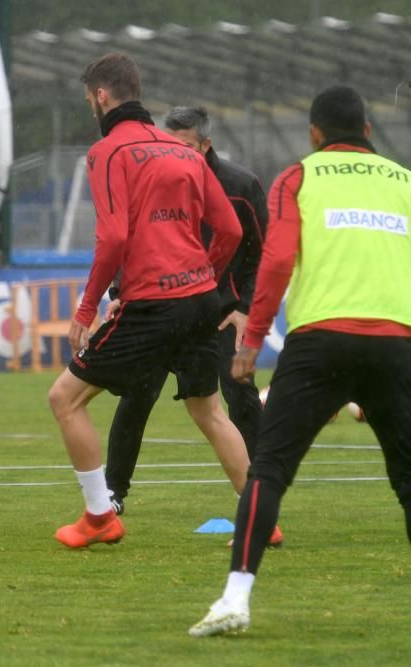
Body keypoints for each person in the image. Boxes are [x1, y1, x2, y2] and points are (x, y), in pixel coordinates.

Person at [190, 85, 411, 637]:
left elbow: (279, 258)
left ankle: (236, 598)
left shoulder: (298, 177)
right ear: (367, 129)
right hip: (395, 343)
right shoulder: (405, 182)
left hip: (319, 344)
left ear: (314, 133)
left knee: (269, 470)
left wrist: (251, 341)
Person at [46, 53, 244, 549]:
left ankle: (99, 516)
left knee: (64, 399)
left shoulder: (107, 152)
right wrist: (204, 277)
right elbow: (230, 230)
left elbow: (111, 239)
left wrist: (87, 307)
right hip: (201, 300)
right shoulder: (184, 152)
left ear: (101, 96)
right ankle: (263, 518)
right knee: (209, 411)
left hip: (154, 303)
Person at [104, 106, 268, 515]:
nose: (176, 154)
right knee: (138, 395)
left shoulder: (241, 185)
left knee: (239, 396)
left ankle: (263, 493)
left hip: (222, 311)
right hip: (161, 306)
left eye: (187, 147)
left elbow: (262, 252)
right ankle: (112, 493)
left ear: (206, 145)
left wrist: (247, 309)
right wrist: (119, 291)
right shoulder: (153, 179)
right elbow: (129, 237)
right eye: (170, 144)